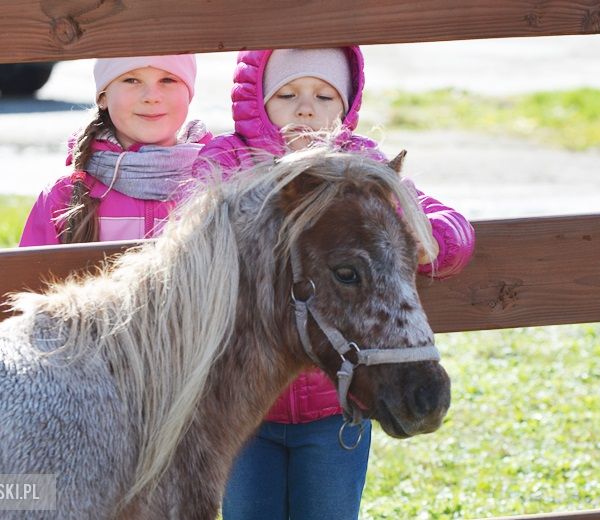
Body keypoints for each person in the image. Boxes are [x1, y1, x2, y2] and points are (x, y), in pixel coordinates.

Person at [195, 47, 475, 520]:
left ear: (346, 106)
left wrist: (425, 236)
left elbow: (449, 230)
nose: (306, 109)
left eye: (324, 97)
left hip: (335, 405)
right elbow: (191, 235)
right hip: (239, 406)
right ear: (256, 100)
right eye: (287, 94)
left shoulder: (360, 167)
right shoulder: (230, 162)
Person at [20, 54, 211, 246]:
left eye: (168, 80)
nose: (151, 97)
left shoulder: (215, 186)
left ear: (188, 95)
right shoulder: (64, 196)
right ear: (103, 97)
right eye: (132, 80)